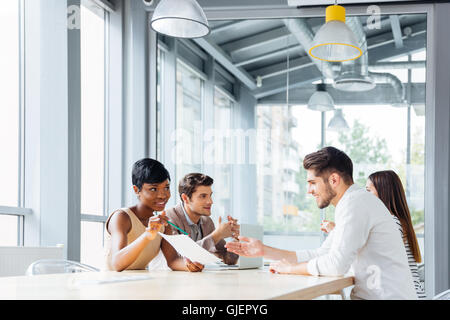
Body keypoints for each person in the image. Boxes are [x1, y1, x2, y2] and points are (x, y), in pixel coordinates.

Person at [226, 147, 417, 300]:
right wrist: (263, 250)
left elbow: (335, 265)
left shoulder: (355, 204)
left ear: (333, 179)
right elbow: (322, 253)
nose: (309, 191)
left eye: (312, 183)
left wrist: (292, 269)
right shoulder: (352, 203)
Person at [321, 170, 425, 299]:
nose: (365, 195)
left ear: (384, 193)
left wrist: (336, 230)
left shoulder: (393, 223)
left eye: (368, 190)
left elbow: (358, 250)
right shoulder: (398, 221)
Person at [104, 159, 204, 272]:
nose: (163, 195)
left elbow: (172, 261)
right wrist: (147, 235)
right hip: (111, 285)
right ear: (136, 190)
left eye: (166, 187)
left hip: (137, 284)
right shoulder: (121, 217)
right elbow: (117, 264)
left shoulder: (163, 224)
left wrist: (189, 265)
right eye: (153, 189)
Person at [165, 173, 240, 265]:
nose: (210, 201)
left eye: (210, 195)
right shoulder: (169, 219)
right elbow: (180, 259)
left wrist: (236, 242)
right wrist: (216, 235)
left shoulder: (206, 221)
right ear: (185, 198)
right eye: (203, 196)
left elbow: (228, 259)